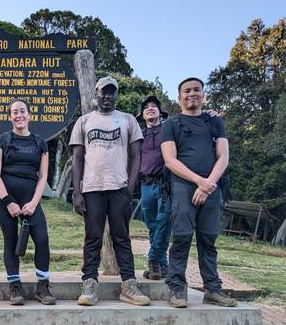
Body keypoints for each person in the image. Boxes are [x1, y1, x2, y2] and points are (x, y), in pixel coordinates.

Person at [69, 76, 150, 306]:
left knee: (122, 237)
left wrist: (130, 187)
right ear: (95, 94)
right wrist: (77, 191)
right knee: (92, 237)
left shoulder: (128, 120)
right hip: (92, 188)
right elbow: (77, 158)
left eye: (111, 92)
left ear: (117, 95)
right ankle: (90, 283)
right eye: (103, 92)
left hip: (119, 188)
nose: (107, 96)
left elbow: (136, 156)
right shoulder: (84, 121)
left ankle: (129, 284)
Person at [160, 77, 237, 308]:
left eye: (196, 90)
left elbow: (223, 156)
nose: (191, 94)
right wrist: (198, 181)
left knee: (208, 239)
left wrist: (209, 183)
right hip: (183, 186)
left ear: (203, 95)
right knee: (181, 237)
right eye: (186, 91)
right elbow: (169, 160)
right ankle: (176, 289)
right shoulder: (171, 124)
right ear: (179, 97)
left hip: (212, 187)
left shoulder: (215, 122)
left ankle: (213, 289)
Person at [0, 99, 55, 305]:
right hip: (5, 198)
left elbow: (43, 176)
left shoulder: (40, 142)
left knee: (42, 239)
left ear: (29, 115)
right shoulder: (1, 141)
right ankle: (15, 287)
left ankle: (43, 287)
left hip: (30, 197)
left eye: (22, 111)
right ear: (10, 117)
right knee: (11, 240)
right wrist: (8, 201)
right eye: (15, 112)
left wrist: (34, 203)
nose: (19, 115)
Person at [137, 96, 171, 281]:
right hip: (145, 184)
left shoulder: (169, 129)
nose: (150, 109)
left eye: (154, 106)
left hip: (165, 184)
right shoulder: (139, 134)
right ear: (142, 114)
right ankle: (162, 266)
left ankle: (153, 260)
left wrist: (208, 114)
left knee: (164, 222)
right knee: (152, 226)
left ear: (160, 112)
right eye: (146, 107)